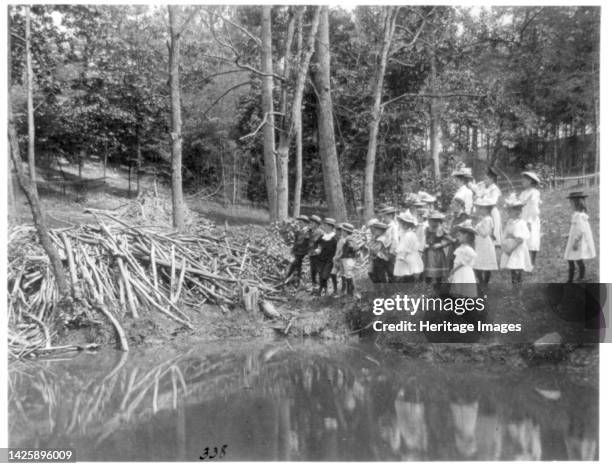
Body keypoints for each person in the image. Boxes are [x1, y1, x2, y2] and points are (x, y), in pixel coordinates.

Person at [500, 194, 532, 287]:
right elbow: (505, 234)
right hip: (509, 248)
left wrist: (512, 247)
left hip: (517, 250)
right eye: (508, 210)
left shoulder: (521, 223)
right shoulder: (509, 222)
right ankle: (515, 290)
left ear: (518, 211)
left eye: (511, 210)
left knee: (517, 269)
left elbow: (521, 239)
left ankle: (518, 291)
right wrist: (505, 246)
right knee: (512, 270)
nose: (508, 212)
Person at [564, 191, 596, 283]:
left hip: (577, 242)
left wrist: (575, 242)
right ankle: (580, 277)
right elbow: (577, 229)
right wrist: (569, 235)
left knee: (571, 259)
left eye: (571, 202)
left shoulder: (579, 216)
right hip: (575, 240)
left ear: (575, 203)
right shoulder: (578, 216)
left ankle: (571, 279)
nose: (570, 204)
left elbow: (581, 230)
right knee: (577, 259)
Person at [473, 167, 503, 247]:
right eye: (484, 178)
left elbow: (493, 201)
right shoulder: (483, 186)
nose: (484, 180)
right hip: (483, 209)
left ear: (492, 179)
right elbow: (477, 191)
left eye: (486, 178)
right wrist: (478, 197)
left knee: (493, 225)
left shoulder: (494, 189)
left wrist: (481, 199)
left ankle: (494, 241)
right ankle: (482, 238)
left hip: (491, 209)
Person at [448, 220, 478, 298]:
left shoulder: (467, 249)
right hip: (459, 271)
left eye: (459, 236)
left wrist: (454, 270)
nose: (457, 238)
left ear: (466, 236)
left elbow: (463, 263)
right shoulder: (461, 248)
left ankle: (464, 303)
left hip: (463, 271)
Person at [473, 198, 499, 288]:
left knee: (485, 264)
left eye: (481, 208)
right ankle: (482, 283)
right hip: (480, 244)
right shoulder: (484, 219)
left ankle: (484, 283)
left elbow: (484, 234)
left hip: (484, 244)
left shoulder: (487, 219)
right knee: (479, 264)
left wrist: (476, 228)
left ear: (487, 209)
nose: (479, 210)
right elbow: (490, 232)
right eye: (479, 208)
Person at [519, 171, 541, 266]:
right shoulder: (523, 193)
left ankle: (532, 261)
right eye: (522, 179)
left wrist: (530, 221)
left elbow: (534, 208)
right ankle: (524, 259)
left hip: (531, 218)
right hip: (523, 217)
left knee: (532, 238)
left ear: (531, 181)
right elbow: (519, 204)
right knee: (523, 238)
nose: (522, 181)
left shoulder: (535, 192)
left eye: (525, 179)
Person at [393, 212, 424, 283]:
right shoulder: (408, 234)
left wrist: (402, 257)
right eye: (402, 223)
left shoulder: (408, 235)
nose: (403, 225)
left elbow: (405, 248)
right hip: (410, 257)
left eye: (406, 223)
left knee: (406, 274)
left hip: (406, 257)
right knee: (407, 275)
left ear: (409, 225)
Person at [423, 211, 450, 288]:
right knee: (428, 272)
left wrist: (441, 244)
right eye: (429, 220)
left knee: (438, 272)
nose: (429, 222)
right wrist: (424, 245)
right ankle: (428, 287)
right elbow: (424, 239)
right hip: (428, 253)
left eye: (431, 220)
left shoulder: (441, 230)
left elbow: (450, 240)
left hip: (437, 254)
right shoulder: (427, 229)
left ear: (437, 221)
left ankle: (438, 287)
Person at [313, 217, 338, 296]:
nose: (324, 227)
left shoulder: (335, 237)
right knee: (320, 275)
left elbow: (338, 249)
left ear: (331, 227)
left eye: (326, 225)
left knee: (325, 275)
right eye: (324, 225)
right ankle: (323, 289)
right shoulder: (322, 236)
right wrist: (318, 249)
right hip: (321, 258)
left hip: (330, 259)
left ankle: (332, 290)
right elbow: (317, 244)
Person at [284, 214, 311, 286]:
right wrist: (293, 249)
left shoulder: (308, 232)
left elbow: (305, 243)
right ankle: (292, 281)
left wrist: (306, 252)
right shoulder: (299, 231)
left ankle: (291, 280)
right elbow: (296, 242)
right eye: (299, 223)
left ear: (306, 223)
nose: (299, 224)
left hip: (303, 253)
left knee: (295, 266)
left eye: (301, 223)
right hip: (298, 252)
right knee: (296, 267)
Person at [339, 223, 361, 297]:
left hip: (348, 258)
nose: (341, 232)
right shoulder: (350, 238)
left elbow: (353, 247)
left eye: (342, 231)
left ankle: (351, 292)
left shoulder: (349, 238)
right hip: (348, 258)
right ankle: (350, 292)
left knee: (349, 274)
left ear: (345, 231)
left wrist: (348, 251)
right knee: (348, 274)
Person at [380, 206, 400, 280]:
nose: (383, 218)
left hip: (391, 253)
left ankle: (394, 290)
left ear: (391, 216)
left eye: (385, 216)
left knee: (391, 272)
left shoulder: (393, 227)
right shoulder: (386, 226)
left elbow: (395, 240)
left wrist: (391, 252)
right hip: (385, 252)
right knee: (386, 272)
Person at [308, 215, 324, 293]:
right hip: (311, 254)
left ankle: (321, 287)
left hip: (318, 255)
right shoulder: (310, 231)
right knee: (313, 271)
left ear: (317, 224)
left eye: (312, 222)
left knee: (319, 270)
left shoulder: (320, 232)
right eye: (310, 222)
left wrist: (319, 249)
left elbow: (320, 242)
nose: (310, 224)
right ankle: (314, 286)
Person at [330, 223, 345, 296]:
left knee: (343, 275)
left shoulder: (344, 239)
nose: (339, 232)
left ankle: (343, 290)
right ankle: (335, 289)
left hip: (342, 260)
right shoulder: (333, 238)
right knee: (333, 274)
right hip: (335, 259)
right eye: (337, 230)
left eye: (340, 230)